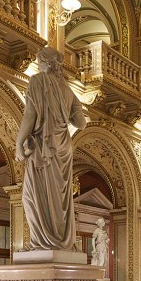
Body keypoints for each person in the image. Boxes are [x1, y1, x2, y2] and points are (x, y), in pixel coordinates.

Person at [15, 47, 87, 250]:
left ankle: (42, 242)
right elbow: (81, 124)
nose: (38, 66)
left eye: (38, 62)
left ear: (46, 63)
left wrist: (19, 144)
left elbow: (30, 114)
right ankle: (58, 242)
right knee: (59, 197)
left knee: (31, 197)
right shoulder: (68, 90)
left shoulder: (38, 81)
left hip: (44, 148)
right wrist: (71, 108)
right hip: (63, 147)